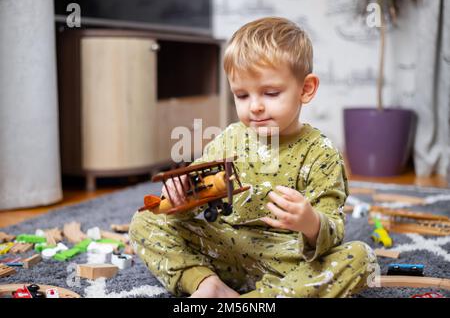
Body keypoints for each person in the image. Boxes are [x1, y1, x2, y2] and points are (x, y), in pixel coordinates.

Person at [129, 17, 377, 298]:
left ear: (305, 89)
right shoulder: (229, 138)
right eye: (242, 95)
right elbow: (194, 199)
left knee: (360, 259)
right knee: (144, 221)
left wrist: (310, 222)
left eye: (271, 93)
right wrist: (179, 193)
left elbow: (333, 231)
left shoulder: (321, 152)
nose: (255, 107)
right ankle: (207, 285)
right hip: (223, 248)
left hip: (287, 260)